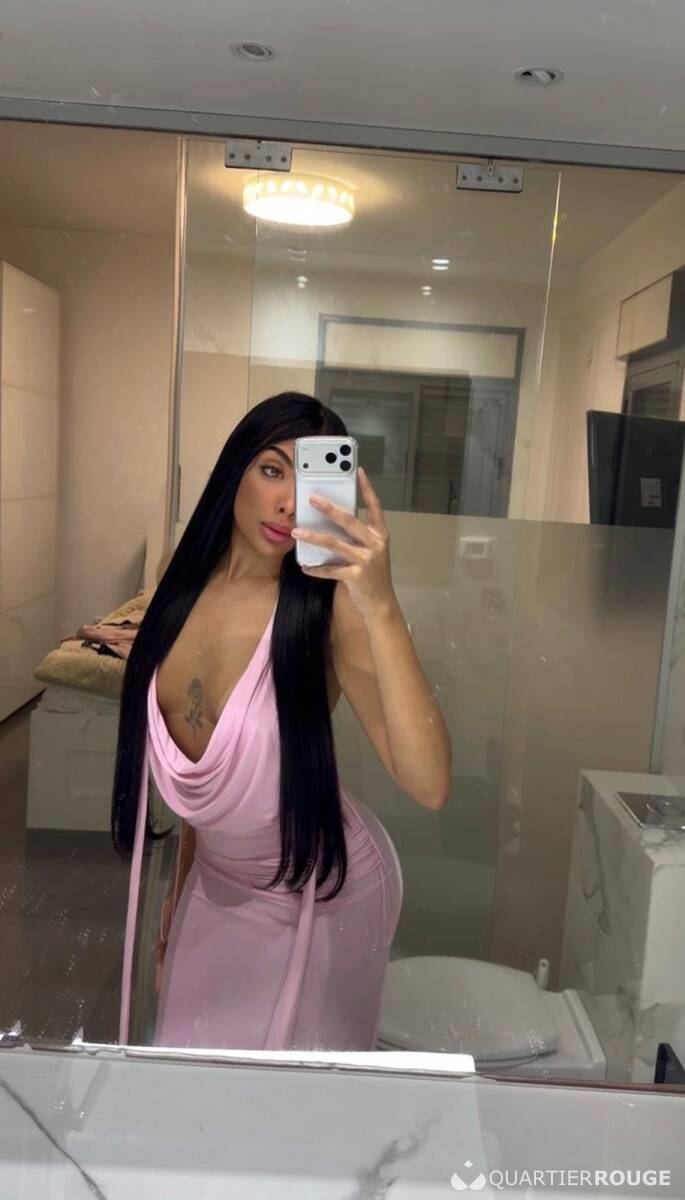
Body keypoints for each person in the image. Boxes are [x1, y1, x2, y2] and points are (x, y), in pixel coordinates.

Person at [112, 392, 451, 1051]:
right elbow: (208, 786)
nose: (290, 504)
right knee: (187, 1063)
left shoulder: (329, 611)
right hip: (216, 881)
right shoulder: (177, 581)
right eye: (272, 470)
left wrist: (380, 604)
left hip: (321, 891)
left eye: (311, 481)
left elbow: (429, 783)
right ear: (233, 469)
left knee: (293, 1092)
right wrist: (180, 889)